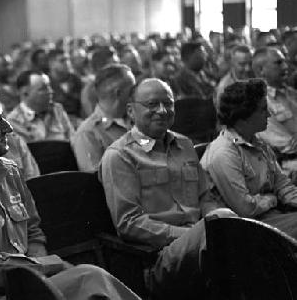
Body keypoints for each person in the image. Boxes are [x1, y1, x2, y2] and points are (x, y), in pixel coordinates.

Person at [0, 88, 141, 300]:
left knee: (89, 280)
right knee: (90, 280)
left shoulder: (7, 170)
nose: (8, 128)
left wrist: (41, 269)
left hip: (31, 283)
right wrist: (48, 266)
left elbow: (32, 230)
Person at [99, 78, 233, 299]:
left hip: (203, 242)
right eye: (152, 104)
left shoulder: (185, 145)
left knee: (230, 225)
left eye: (168, 104)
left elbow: (205, 198)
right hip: (159, 257)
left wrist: (212, 227)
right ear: (131, 111)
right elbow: (129, 224)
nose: (162, 111)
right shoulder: (120, 156)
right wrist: (191, 235)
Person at [201, 79, 297, 238]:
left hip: (271, 218)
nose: (269, 114)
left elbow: (282, 184)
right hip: (245, 232)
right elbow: (245, 209)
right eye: (263, 110)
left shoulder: (259, 143)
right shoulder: (223, 153)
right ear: (244, 116)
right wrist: (272, 199)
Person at [71, 64, 135, 172]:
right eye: (133, 89)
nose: (137, 93)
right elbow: (96, 179)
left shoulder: (137, 118)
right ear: (118, 93)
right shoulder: (88, 133)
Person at [252, 47, 297, 179]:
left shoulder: (292, 93)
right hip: (286, 166)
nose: (285, 66)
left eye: (284, 61)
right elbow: (285, 146)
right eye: (278, 63)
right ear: (261, 70)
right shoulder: (258, 100)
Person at [7, 70, 74, 142]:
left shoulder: (57, 109)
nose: (51, 91)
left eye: (49, 87)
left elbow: (73, 140)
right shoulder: (13, 121)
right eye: (43, 89)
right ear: (25, 93)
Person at [48, 49, 83, 121]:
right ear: (52, 64)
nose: (67, 63)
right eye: (62, 61)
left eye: (68, 60)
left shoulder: (75, 80)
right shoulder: (47, 84)